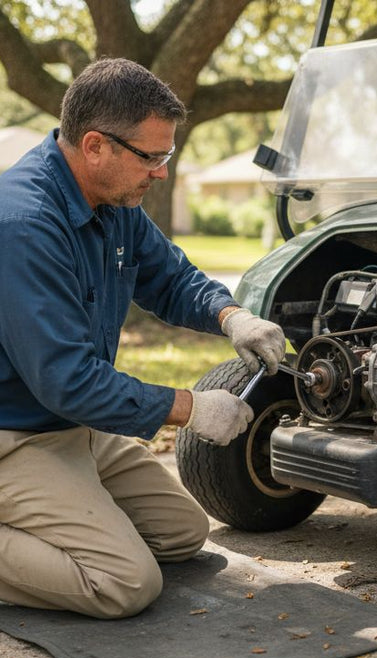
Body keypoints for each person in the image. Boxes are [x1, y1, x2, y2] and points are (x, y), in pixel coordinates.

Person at [0, 58, 286, 619]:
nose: (160, 172)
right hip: (13, 434)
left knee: (183, 534)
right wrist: (191, 407)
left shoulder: (113, 201)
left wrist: (233, 318)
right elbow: (70, 381)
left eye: (166, 156)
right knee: (125, 582)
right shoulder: (25, 224)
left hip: (66, 426)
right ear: (94, 145)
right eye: (151, 157)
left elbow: (172, 277)